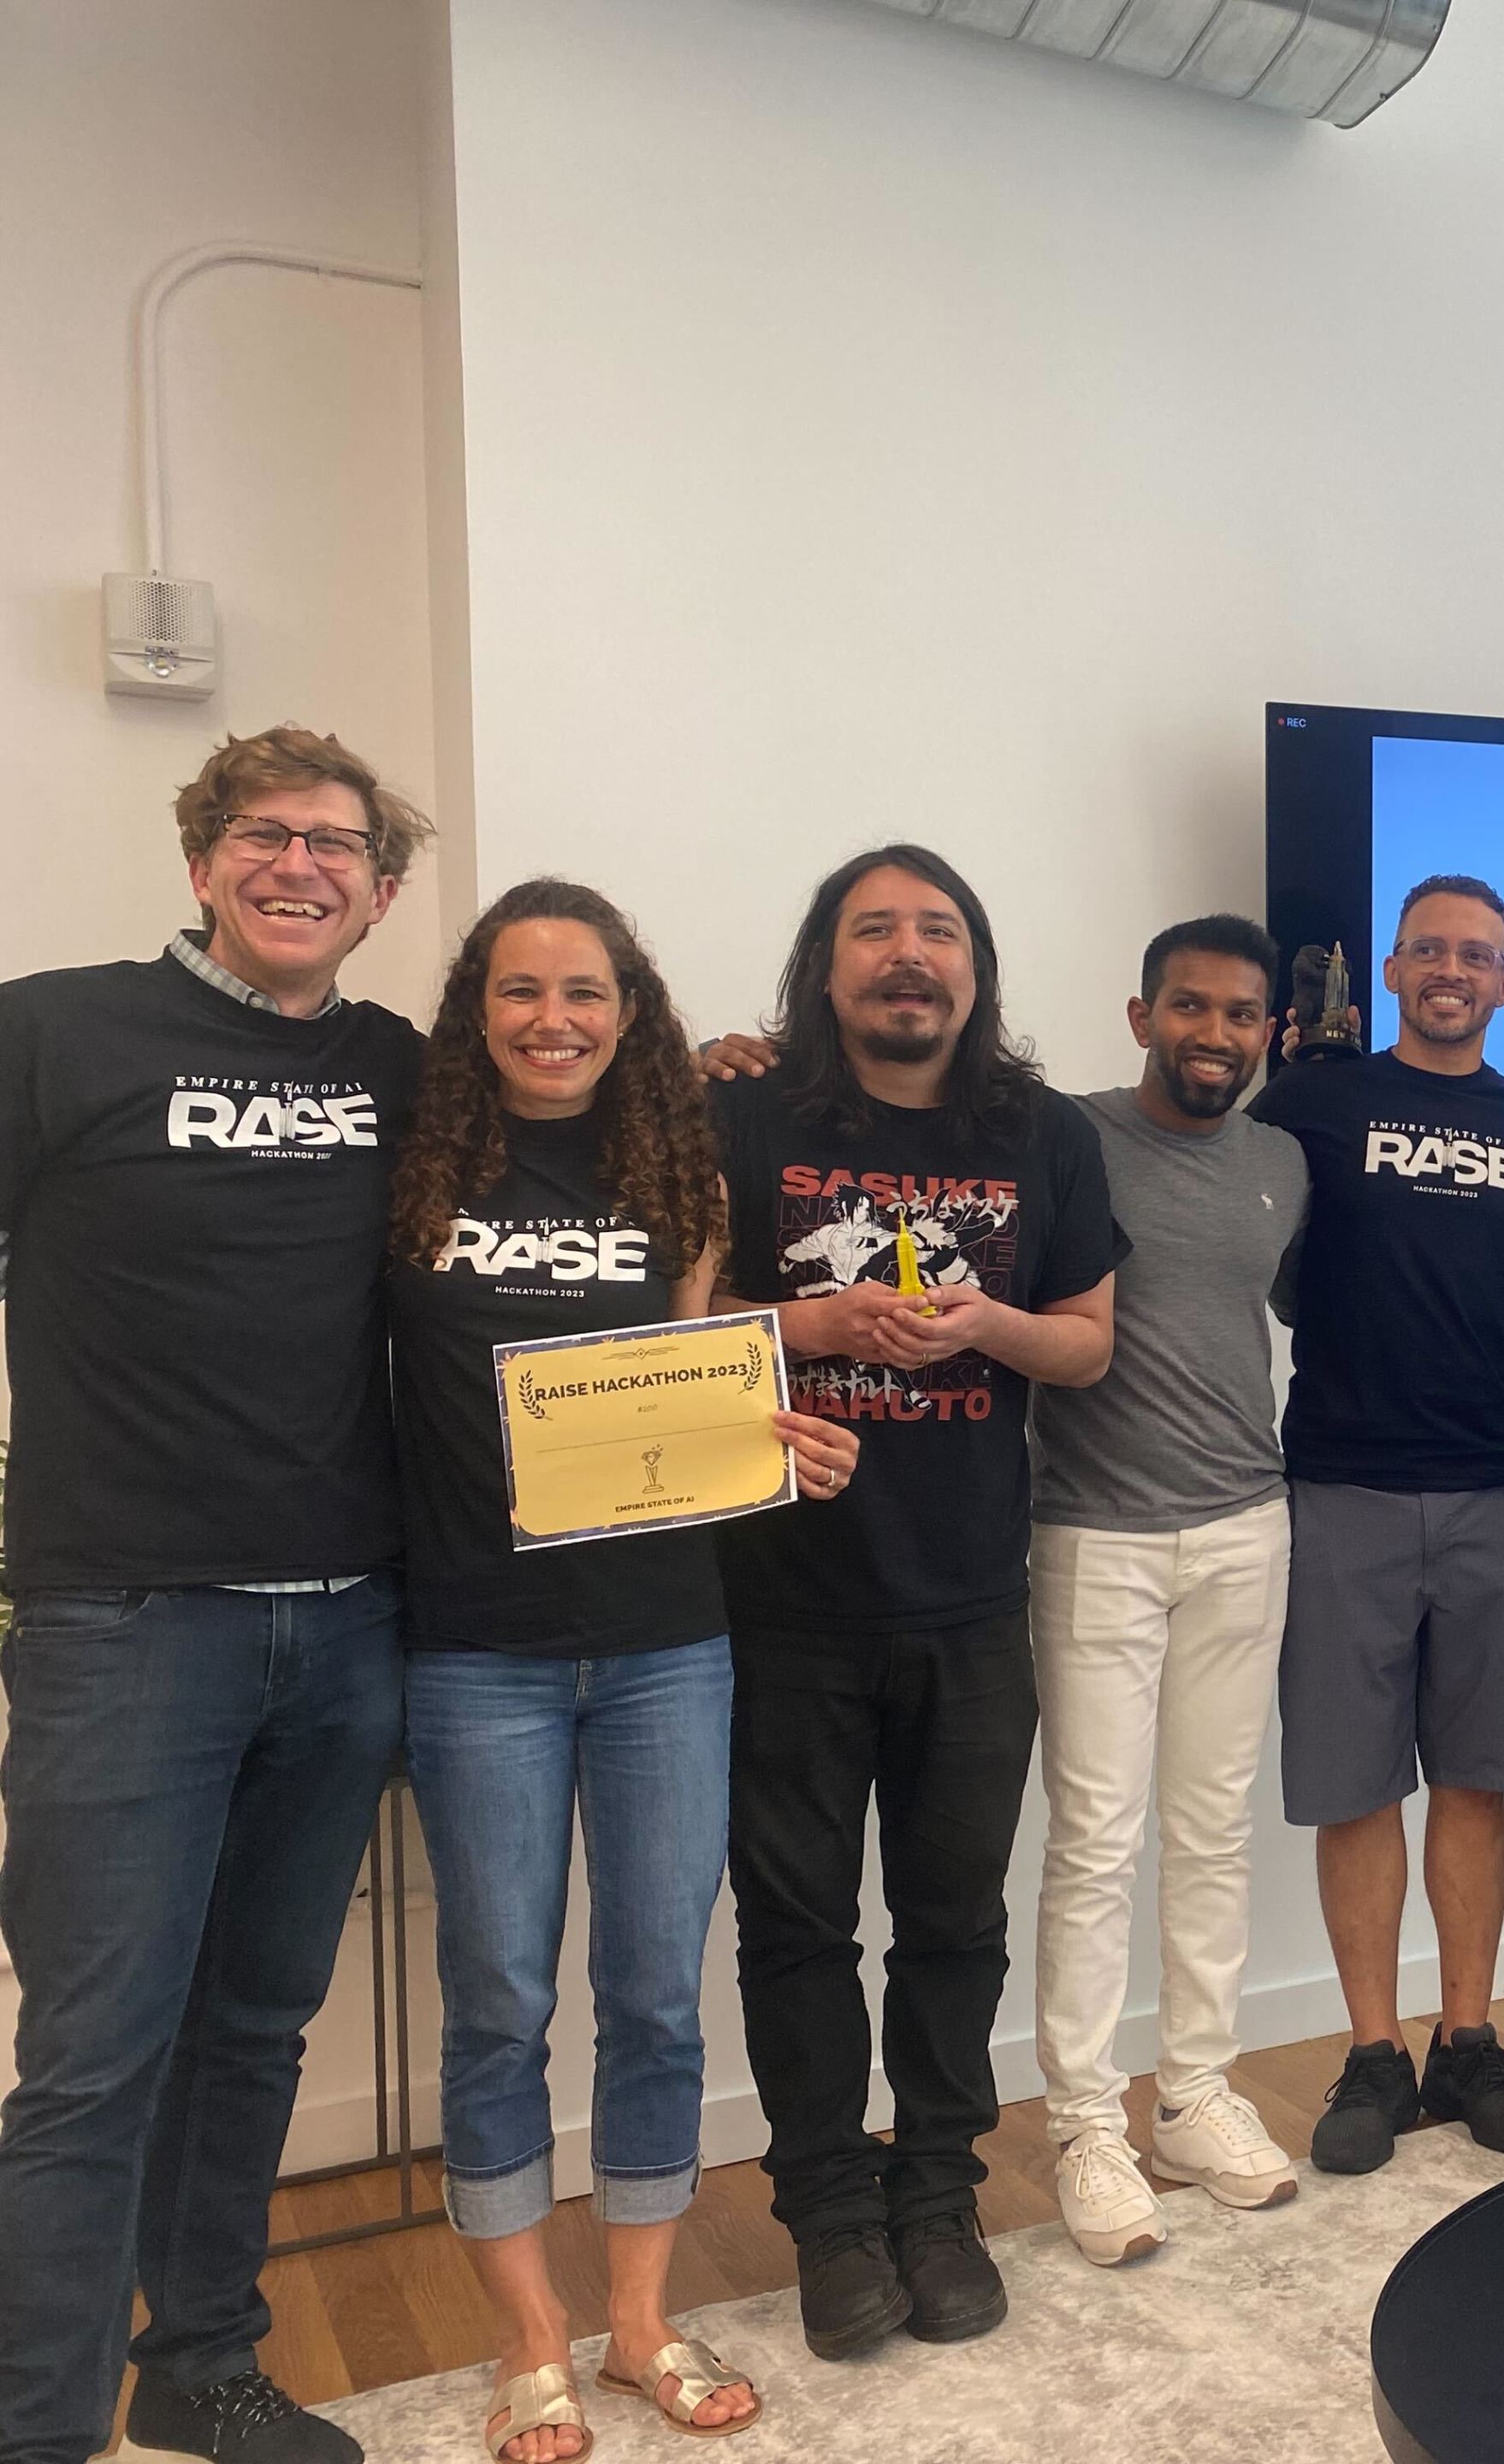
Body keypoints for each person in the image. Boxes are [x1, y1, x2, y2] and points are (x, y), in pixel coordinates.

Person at [388, 880, 862, 2461]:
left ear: (630, 1009)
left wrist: (772, 1446)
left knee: (655, 1998)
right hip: (477, 1650)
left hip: (669, 1643)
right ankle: (532, 2341)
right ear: (477, 1011)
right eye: (518, 992)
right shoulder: (419, 1158)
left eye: (584, 992)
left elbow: (694, 1381)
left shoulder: (679, 1169)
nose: (552, 1020)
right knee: (501, 2000)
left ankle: (640, 2322)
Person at [0, 726, 429, 2464]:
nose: (301, 865)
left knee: (253, 2026)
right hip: (124, 1624)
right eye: (266, 835)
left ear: (379, 894)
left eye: (339, 846)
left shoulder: (404, 1070)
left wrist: (720, 1067)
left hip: (344, 1626)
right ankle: (34, 2422)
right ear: (202, 862)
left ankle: (200, 2364)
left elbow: (574, 1122)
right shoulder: (49, 1031)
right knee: (95, 2057)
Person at [702, 846, 1125, 2360]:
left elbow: (1084, 1346)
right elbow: (668, 1326)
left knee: (955, 1924)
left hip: (968, 1603)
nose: (907, 954)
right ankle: (825, 2211)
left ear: (975, 968)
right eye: (874, 929)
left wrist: (988, 1324)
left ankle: (937, 2199)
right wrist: (814, 1321)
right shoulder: (739, 1114)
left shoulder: (1042, 1131)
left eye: (937, 930)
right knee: (799, 1931)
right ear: (825, 966)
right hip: (780, 1604)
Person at [1252, 878, 1504, 2176]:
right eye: (1430, 948)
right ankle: (1374, 2054)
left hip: (1499, 1483)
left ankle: (1470, 2041)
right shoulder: (1312, 1101)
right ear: (1390, 970)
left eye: (1477, 956)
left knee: (1481, 1775)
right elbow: (1238, 1236)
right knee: (1357, 1781)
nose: (1451, 969)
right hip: (1341, 1486)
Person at [1024, 915, 1312, 2265]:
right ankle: (1085, 2120)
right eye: (1189, 1009)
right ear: (1140, 1016)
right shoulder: (1059, 1135)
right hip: (1096, 1534)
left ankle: (1193, 2095)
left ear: (1271, 1031)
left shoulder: (1283, 1163)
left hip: (1248, 1527)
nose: (1216, 1035)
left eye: (1241, 1014)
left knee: (1212, 1835)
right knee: (1094, 1843)